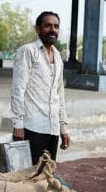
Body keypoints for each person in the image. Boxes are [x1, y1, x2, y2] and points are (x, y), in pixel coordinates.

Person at [10, 11, 71, 164]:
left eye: (56, 26)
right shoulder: (27, 51)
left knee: (47, 175)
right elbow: (18, 90)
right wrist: (18, 124)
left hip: (52, 128)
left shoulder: (58, 57)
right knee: (29, 176)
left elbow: (60, 95)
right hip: (32, 127)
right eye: (48, 26)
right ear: (38, 29)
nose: (53, 30)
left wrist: (63, 128)